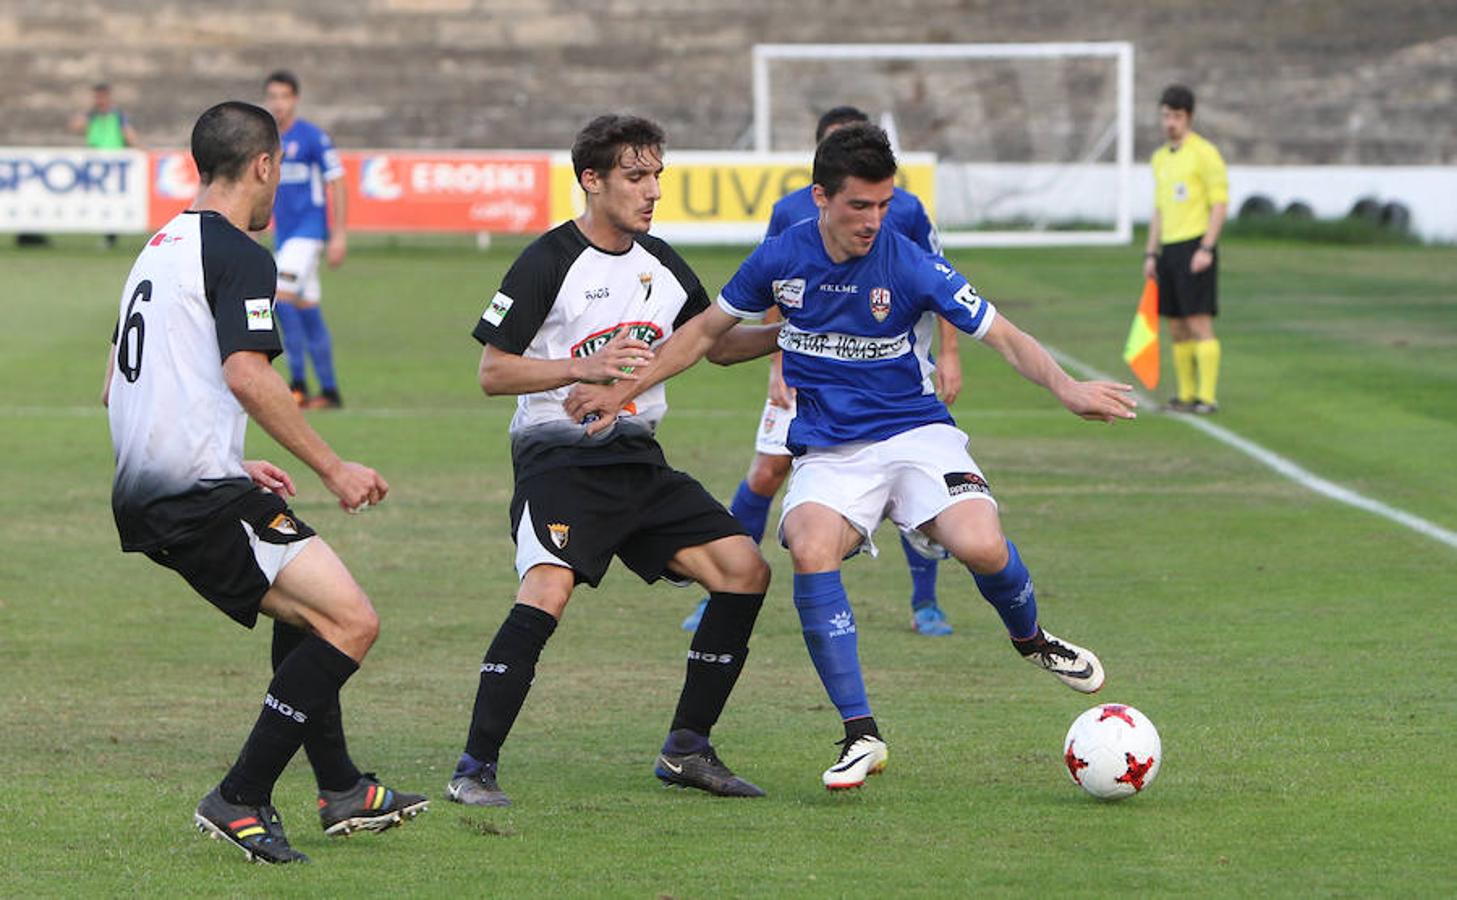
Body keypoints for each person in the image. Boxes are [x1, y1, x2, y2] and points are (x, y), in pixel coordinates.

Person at [566, 123, 1136, 791]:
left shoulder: (908, 262)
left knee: (981, 545)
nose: (872, 220)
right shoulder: (780, 257)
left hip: (914, 434)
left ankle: (1031, 639)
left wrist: (1066, 388)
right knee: (807, 545)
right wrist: (624, 391)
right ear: (820, 198)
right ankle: (860, 733)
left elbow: (1002, 334)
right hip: (831, 451)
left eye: (882, 205)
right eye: (858, 206)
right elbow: (702, 335)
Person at [103, 101, 425, 865]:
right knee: (353, 622)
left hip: (163, 485)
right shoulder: (243, 255)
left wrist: (224, 453)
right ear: (264, 166)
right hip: (193, 496)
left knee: (311, 611)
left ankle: (342, 787)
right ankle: (239, 795)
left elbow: (117, 385)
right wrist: (334, 467)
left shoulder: (157, 248)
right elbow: (248, 375)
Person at [447, 114, 780, 808]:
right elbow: (492, 372)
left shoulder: (660, 261)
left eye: (656, 174)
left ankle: (687, 749)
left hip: (639, 462)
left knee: (743, 570)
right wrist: (582, 366)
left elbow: (714, 345)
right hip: (558, 464)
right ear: (591, 181)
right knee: (547, 591)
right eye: (635, 176)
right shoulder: (547, 260)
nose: (651, 189)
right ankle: (473, 768)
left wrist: (793, 331)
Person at [680, 105, 964, 639]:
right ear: (822, 181)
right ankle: (718, 593)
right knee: (766, 472)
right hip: (803, 367)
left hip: (885, 375)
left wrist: (947, 354)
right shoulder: (789, 214)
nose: (868, 211)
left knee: (906, 476)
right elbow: (768, 293)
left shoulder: (904, 212)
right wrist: (777, 363)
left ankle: (926, 603)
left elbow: (941, 287)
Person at [263, 70, 348, 409]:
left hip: (310, 233)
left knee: (278, 297)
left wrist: (338, 235)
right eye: (272, 96)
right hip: (285, 236)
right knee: (306, 307)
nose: (278, 104)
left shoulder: (312, 137)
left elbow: (338, 182)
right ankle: (329, 391)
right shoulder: (267, 141)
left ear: (294, 99)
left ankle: (296, 384)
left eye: (284, 96)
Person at [1143, 84, 1228, 415]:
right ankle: (1185, 394)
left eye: (1176, 116)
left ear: (1188, 117)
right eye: (1165, 116)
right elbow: (1160, 209)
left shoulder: (1205, 153)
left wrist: (1207, 247)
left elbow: (1219, 204)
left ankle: (1207, 397)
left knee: (1198, 322)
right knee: (1176, 325)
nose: (1170, 123)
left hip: (1196, 245)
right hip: (1169, 250)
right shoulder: (1160, 158)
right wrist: (1151, 253)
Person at [69, 82, 141, 248]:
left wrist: (140, 150)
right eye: (96, 97)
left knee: (113, 197)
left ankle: (111, 236)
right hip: (95, 162)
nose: (99, 100)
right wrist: (88, 112)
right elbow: (75, 127)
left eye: (101, 96)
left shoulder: (117, 115)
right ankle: (106, 233)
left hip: (114, 163)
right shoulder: (92, 115)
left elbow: (128, 134)